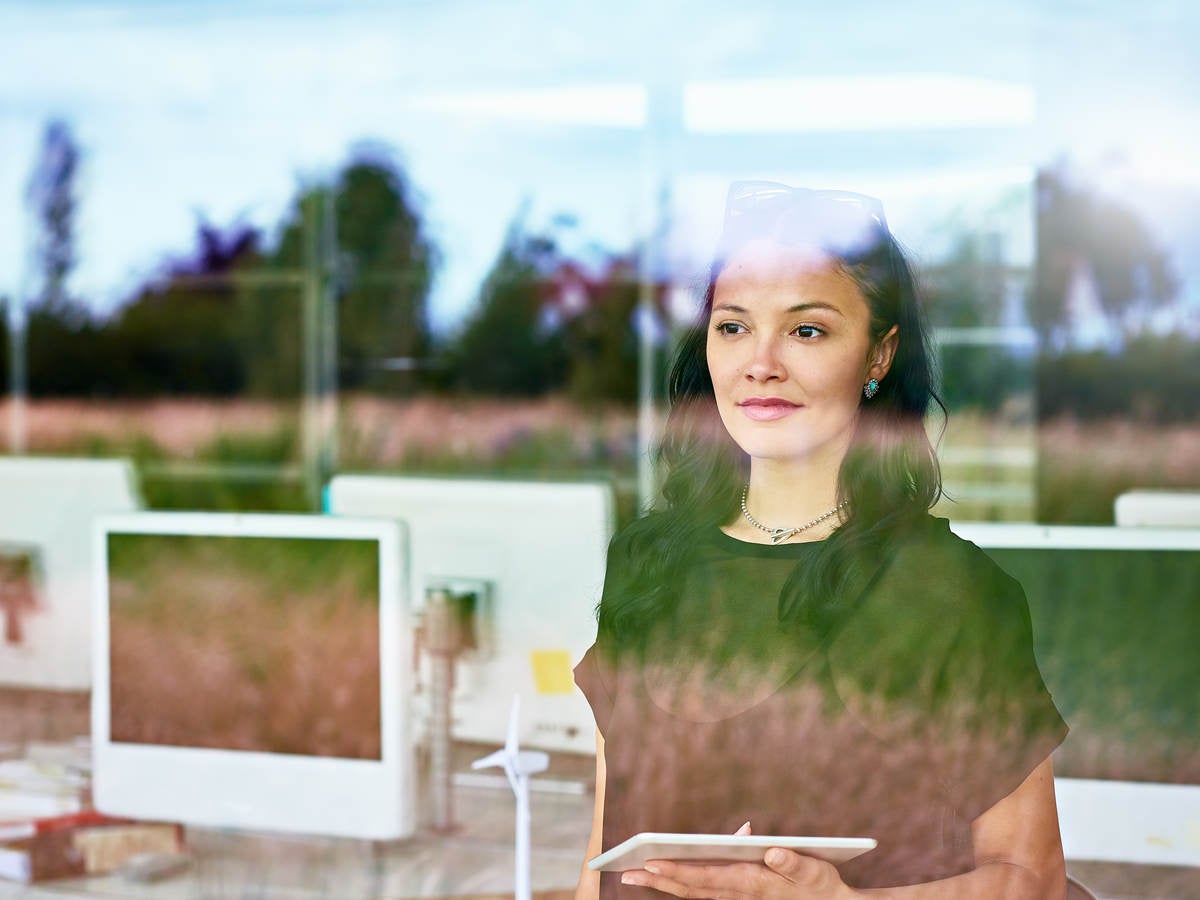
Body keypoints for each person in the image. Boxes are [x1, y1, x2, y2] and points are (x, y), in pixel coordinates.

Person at [573, 182, 1069, 898]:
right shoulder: (646, 560)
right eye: (733, 326)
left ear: (878, 356)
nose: (761, 363)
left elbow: (1033, 881)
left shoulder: (953, 590)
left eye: (807, 331)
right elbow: (602, 849)